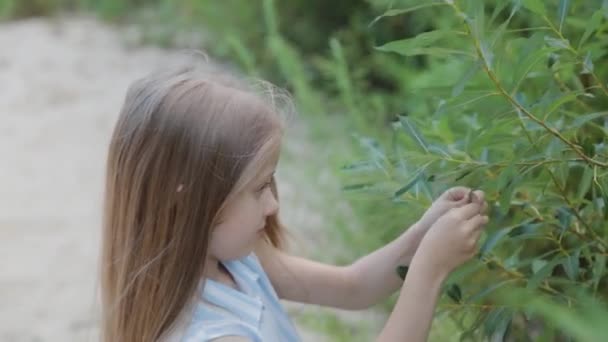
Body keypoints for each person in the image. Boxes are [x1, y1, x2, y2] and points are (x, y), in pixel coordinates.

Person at [99, 61, 489, 342]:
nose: (272, 205)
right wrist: (430, 269)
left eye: (271, 182)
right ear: (188, 197)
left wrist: (421, 236)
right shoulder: (215, 335)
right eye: (257, 188)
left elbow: (352, 287)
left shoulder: (238, 261)